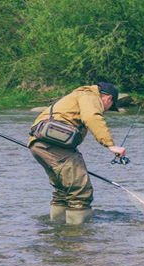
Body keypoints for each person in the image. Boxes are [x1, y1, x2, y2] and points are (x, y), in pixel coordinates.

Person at [27, 82, 126, 224]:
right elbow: (92, 117)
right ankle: (78, 239)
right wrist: (111, 145)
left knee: (63, 191)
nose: (106, 110)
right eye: (110, 107)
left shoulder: (78, 95)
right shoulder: (91, 96)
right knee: (80, 192)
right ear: (108, 98)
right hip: (54, 147)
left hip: (39, 145)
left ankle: (58, 232)